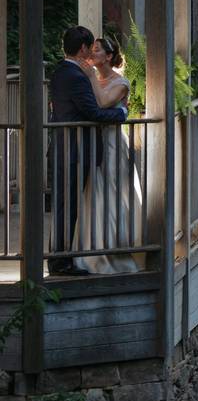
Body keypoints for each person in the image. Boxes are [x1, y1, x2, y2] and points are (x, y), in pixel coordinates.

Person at [48, 26, 128, 276]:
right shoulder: (76, 76)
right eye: (89, 47)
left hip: (63, 146)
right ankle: (61, 262)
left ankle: (60, 258)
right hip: (75, 148)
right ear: (82, 48)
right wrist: (122, 113)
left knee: (64, 205)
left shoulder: (60, 72)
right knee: (68, 206)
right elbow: (93, 112)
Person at [71, 37, 142, 274]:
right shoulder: (89, 80)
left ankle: (114, 251)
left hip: (112, 144)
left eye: (97, 50)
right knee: (95, 193)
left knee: (113, 193)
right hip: (94, 144)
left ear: (108, 56)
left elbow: (101, 105)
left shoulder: (120, 83)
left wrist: (91, 77)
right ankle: (92, 250)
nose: (92, 53)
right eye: (91, 49)